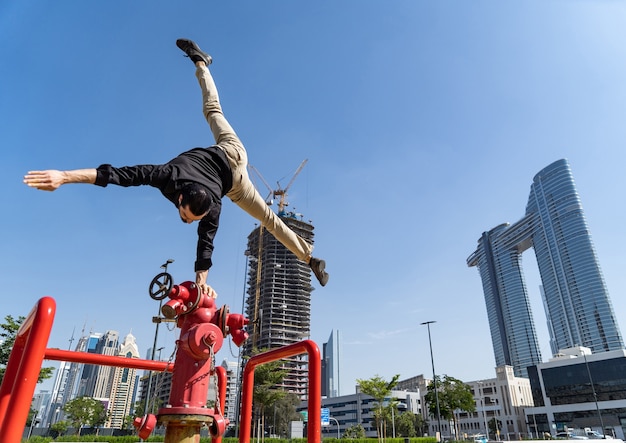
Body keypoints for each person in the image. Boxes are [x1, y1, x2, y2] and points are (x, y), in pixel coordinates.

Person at [24, 38, 329, 293]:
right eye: (188, 216)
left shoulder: (212, 206)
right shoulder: (165, 175)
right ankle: (200, 62)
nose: (189, 221)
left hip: (234, 172)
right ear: (181, 197)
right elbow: (117, 175)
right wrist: (63, 176)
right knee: (212, 111)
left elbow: (205, 244)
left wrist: (201, 281)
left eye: (191, 218)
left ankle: (310, 258)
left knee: (268, 216)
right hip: (230, 151)